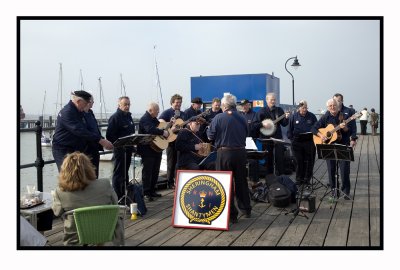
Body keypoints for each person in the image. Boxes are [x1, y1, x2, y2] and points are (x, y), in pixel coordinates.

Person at [52, 152, 124, 246]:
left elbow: (57, 212)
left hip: (75, 238)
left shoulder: (60, 192)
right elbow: (115, 204)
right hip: (105, 233)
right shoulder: (105, 184)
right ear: (89, 167)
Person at [207, 94, 251, 224]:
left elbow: (210, 136)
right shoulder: (243, 118)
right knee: (241, 182)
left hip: (224, 154)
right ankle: (246, 209)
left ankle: (231, 215)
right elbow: (247, 133)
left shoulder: (218, 118)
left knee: (225, 183)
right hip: (240, 153)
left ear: (225, 106)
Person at [52, 90, 113, 171]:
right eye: (85, 104)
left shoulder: (78, 111)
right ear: (79, 101)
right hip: (63, 148)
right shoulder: (67, 112)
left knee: (79, 175)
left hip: (76, 148)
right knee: (68, 175)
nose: (85, 107)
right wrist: (100, 140)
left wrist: (101, 140)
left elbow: (88, 129)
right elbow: (79, 130)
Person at [311, 94, 357, 199]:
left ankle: (346, 192)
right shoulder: (325, 116)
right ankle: (333, 191)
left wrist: (345, 129)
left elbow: (350, 131)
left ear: (338, 105)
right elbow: (314, 128)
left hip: (343, 144)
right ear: (328, 107)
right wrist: (321, 135)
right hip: (329, 147)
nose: (332, 107)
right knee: (331, 170)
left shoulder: (344, 116)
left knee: (344, 170)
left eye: (334, 105)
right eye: (330, 106)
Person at [137, 102, 169, 201]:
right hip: (147, 149)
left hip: (156, 148)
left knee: (155, 170)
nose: (158, 112)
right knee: (147, 171)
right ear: (151, 110)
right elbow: (150, 129)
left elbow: (158, 126)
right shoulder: (144, 119)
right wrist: (163, 132)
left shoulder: (153, 119)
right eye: (157, 110)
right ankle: (146, 192)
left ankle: (152, 190)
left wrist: (166, 127)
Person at [106, 96, 135, 201]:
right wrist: (120, 144)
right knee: (118, 173)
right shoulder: (115, 117)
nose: (127, 106)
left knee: (125, 172)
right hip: (120, 150)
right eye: (125, 104)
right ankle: (118, 196)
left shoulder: (129, 117)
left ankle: (125, 193)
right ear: (119, 105)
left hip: (128, 149)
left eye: (128, 104)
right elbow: (109, 136)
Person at [253, 92, 290, 176]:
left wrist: (286, 118)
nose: (273, 101)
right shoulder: (261, 112)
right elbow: (255, 125)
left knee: (280, 158)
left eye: (274, 100)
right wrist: (263, 124)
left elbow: (284, 124)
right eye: (271, 100)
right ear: (267, 100)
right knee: (268, 159)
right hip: (266, 139)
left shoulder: (279, 110)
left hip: (278, 138)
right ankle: (269, 178)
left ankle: (281, 177)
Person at [287, 100, 318, 185]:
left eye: (305, 107)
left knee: (309, 162)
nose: (304, 109)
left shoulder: (312, 116)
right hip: (297, 143)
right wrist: (292, 140)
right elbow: (289, 131)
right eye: (302, 107)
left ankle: (307, 180)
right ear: (299, 108)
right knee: (298, 161)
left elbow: (317, 129)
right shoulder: (293, 116)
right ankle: (298, 179)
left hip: (309, 143)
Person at [159, 94, 185, 189]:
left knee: (180, 163)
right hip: (171, 141)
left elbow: (184, 125)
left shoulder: (183, 113)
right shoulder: (167, 112)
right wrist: (170, 128)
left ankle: (178, 182)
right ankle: (169, 183)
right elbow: (160, 124)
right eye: (177, 102)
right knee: (171, 162)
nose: (178, 104)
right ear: (172, 102)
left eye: (180, 102)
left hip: (180, 141)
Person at [83, 96, 103, 178]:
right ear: (87, 102)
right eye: (92, 101)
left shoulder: (90, 113)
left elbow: (95, 128)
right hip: (86, 148)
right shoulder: (81, 114)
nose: (93, 103)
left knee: (95, 173)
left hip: (95, 147)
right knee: (87, 173)